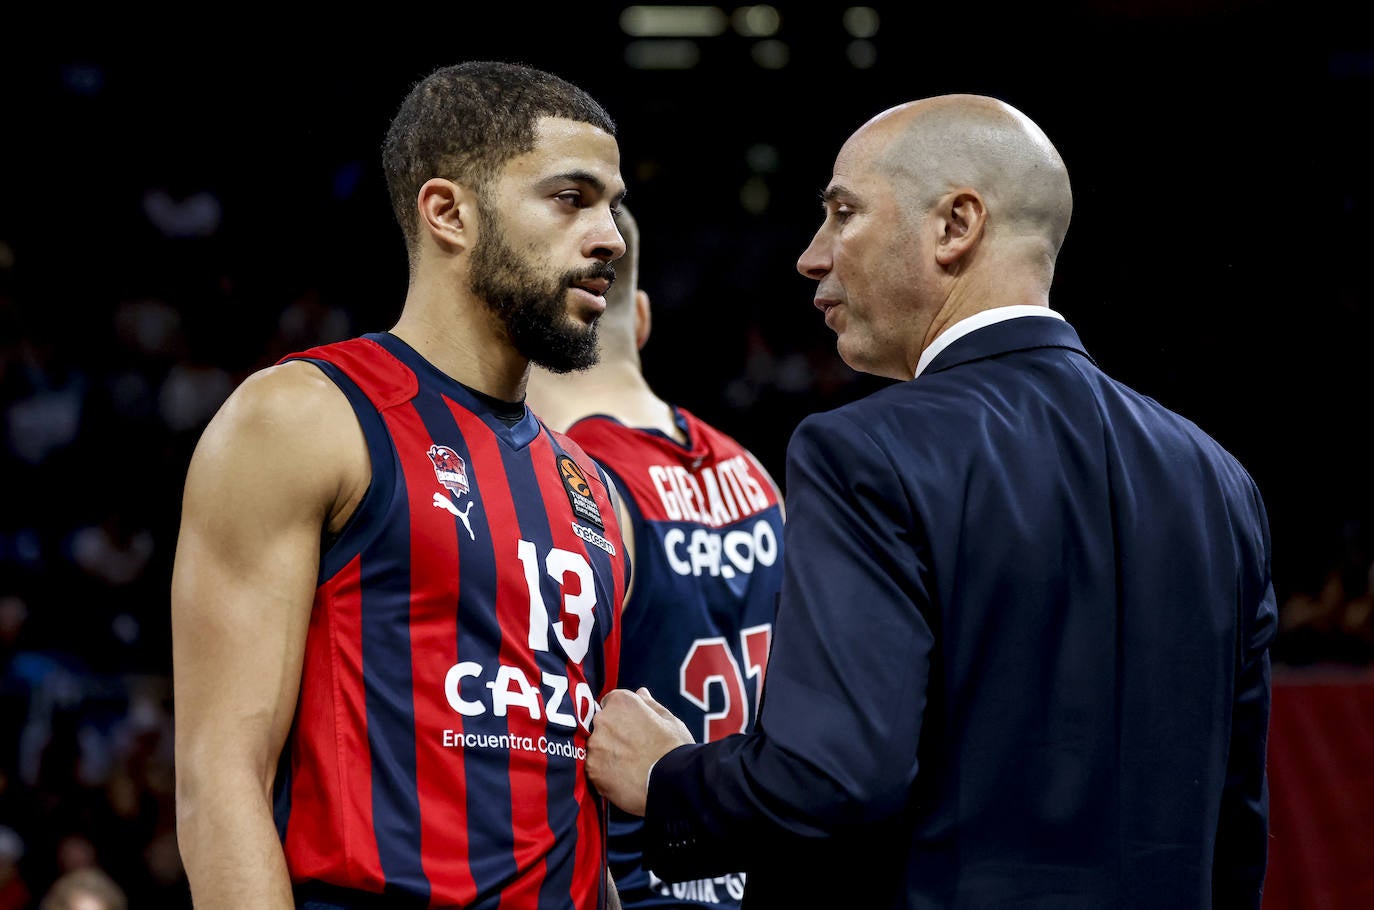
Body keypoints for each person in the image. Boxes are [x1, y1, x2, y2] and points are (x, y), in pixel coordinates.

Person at [586, 94, 1277, 908]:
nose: (811, 256)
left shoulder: (862, 452)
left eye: (842, 212)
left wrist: (669, 779)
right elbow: (1237, 831)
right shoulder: (1219, 479)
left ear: (956, 226)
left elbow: (831, 777)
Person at [172, 61, 633, 909]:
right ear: (449, 212)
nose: (611, 236)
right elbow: (219, 776)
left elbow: (576, 820)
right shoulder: (303, 418)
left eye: (613, 204)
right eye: (572, 199)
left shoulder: (594, 492)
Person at [526, 206, 786, 909]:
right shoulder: (757, 475)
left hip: (634, 889)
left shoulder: (567, 483)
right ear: (638, 317)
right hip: (752, 875)